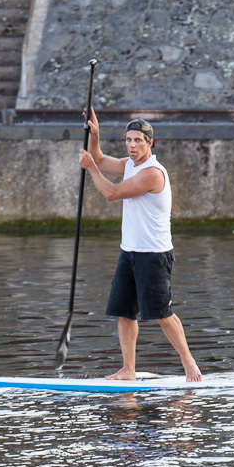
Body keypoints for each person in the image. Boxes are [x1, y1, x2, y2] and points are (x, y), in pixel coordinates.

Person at [77, 109, 202, 382]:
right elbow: (100, 158)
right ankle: (128, 369)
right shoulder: (129, 165)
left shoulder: (153, 173)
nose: (132, 145)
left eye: (138, 140)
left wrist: (91, 168)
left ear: (150, 143)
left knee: (162, 315)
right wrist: (95, 134)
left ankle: (190, 364)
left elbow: (111, 193)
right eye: (128, 140)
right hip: (129, 252)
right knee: (124, 312)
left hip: (154, 255)